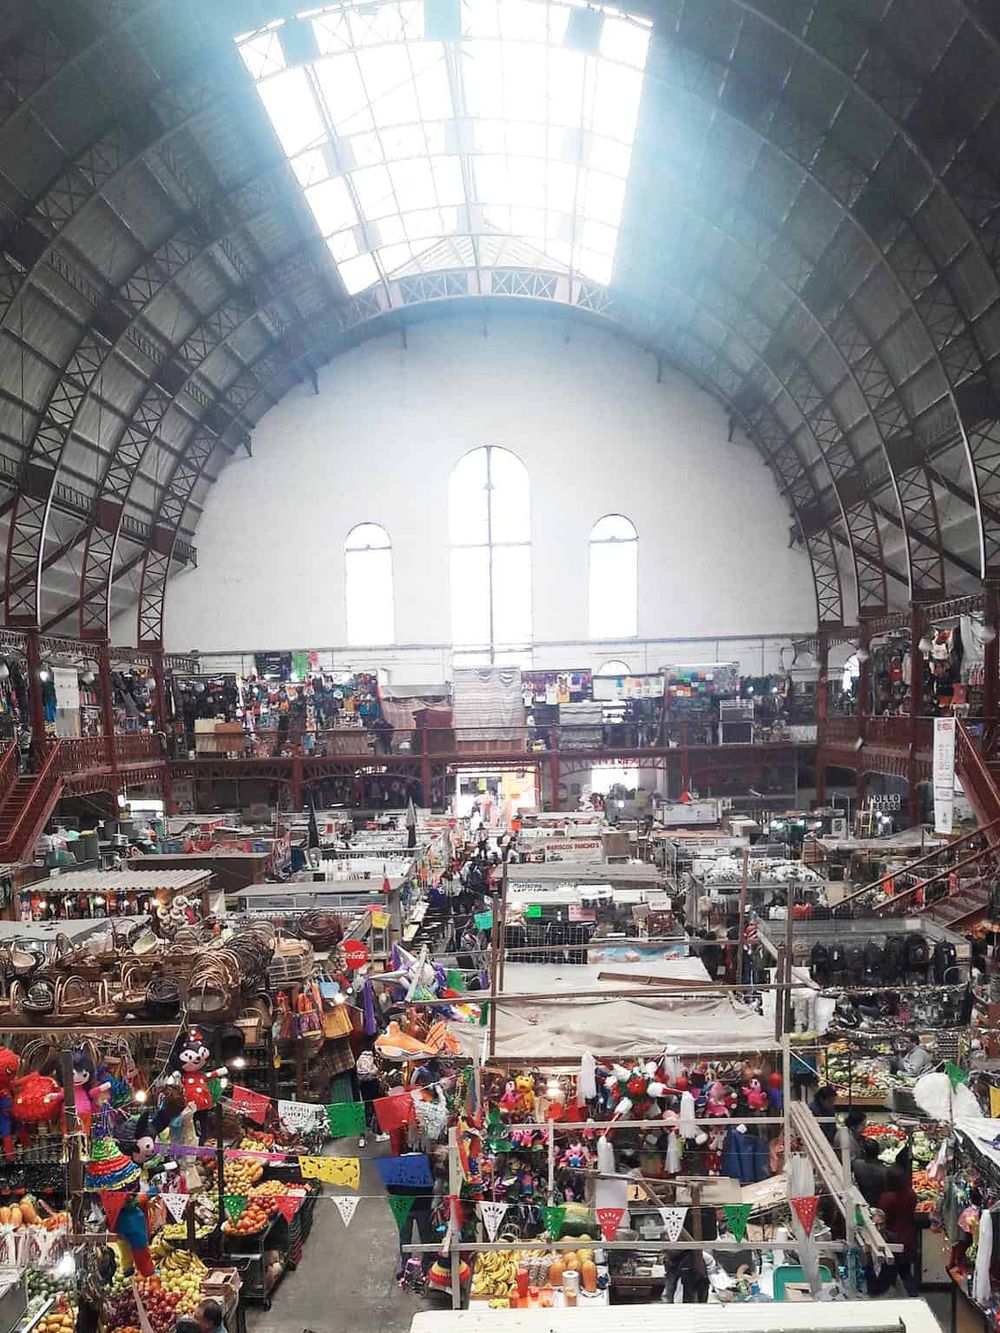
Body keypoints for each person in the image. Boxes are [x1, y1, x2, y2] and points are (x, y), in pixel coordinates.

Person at [877, 1166, 919, 1296]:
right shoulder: (911, 1195)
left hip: (892, 1237)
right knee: (906, 1272)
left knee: (890, 1272)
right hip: (909, 1236)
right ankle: (913, 1296)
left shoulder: (886, 1198)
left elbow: (882, 1217)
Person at [853, 1137, 888, 1207]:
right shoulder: (884, 1171)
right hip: (877, 1204)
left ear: (864, 1152)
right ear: (879, 1152)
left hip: (861, 1200)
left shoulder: (856, 1164)